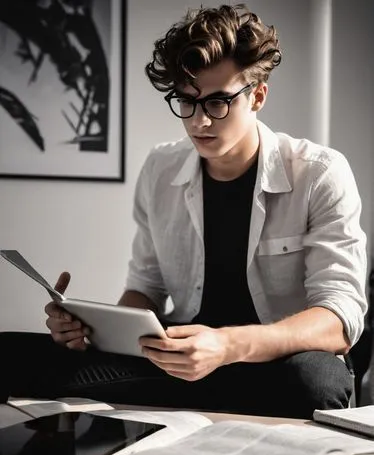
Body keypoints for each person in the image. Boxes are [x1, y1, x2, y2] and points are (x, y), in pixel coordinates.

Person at [0, 4, 367, 418]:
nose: (199, 122)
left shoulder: (319, 173)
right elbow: (146, 289)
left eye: (217, 103)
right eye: (186, 102)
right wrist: (95, 329)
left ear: (258, 95)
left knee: (314, 382)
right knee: (10, 354)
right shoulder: (160, 168)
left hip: (274, 364)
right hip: (177, 362)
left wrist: (228, 345)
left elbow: (338, 319)